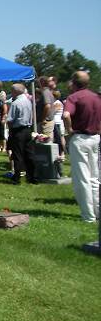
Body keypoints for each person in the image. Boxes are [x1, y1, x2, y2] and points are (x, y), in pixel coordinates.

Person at [63, 71, 101, 223]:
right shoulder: (96, 97)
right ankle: (98, 211)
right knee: (95, 178)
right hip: (95, 138)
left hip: (80, 138)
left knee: (82, 178)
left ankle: (88, 215)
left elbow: (66, 115)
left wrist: (69, 130)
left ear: (74, 82)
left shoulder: (74, 97)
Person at [6, 83, 37, 185]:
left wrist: (10, 130)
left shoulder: (16, 103)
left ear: (15, 91)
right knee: (29, 154)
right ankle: (32, 177)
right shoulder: (28, 101)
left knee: (17, 154)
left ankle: (17, 177)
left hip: (18, 130)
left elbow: (10, 119)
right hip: (28, 129)